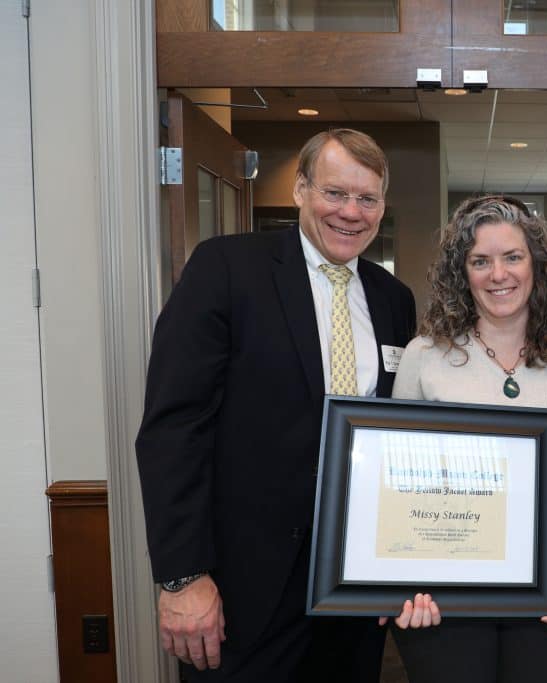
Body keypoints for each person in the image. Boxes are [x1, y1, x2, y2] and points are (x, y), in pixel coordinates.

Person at [135, 128, 417, 681]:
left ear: (383, 205)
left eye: (367, 198)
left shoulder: (392, 299)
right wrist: (182, 577)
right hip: (242, 591)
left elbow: (397, 437)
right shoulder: (227, 268)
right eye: (335, 193)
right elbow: (174, 427)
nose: (350, 212)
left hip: (353, 589)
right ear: (301, 190)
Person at [385, 195, 547, 683]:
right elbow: (396, 482)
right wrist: (397, 582)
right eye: (480, 261)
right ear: (460, 272)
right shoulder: (424, 356)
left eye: (512, 257)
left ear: (537, 265)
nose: (499, 274)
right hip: (443, 592)